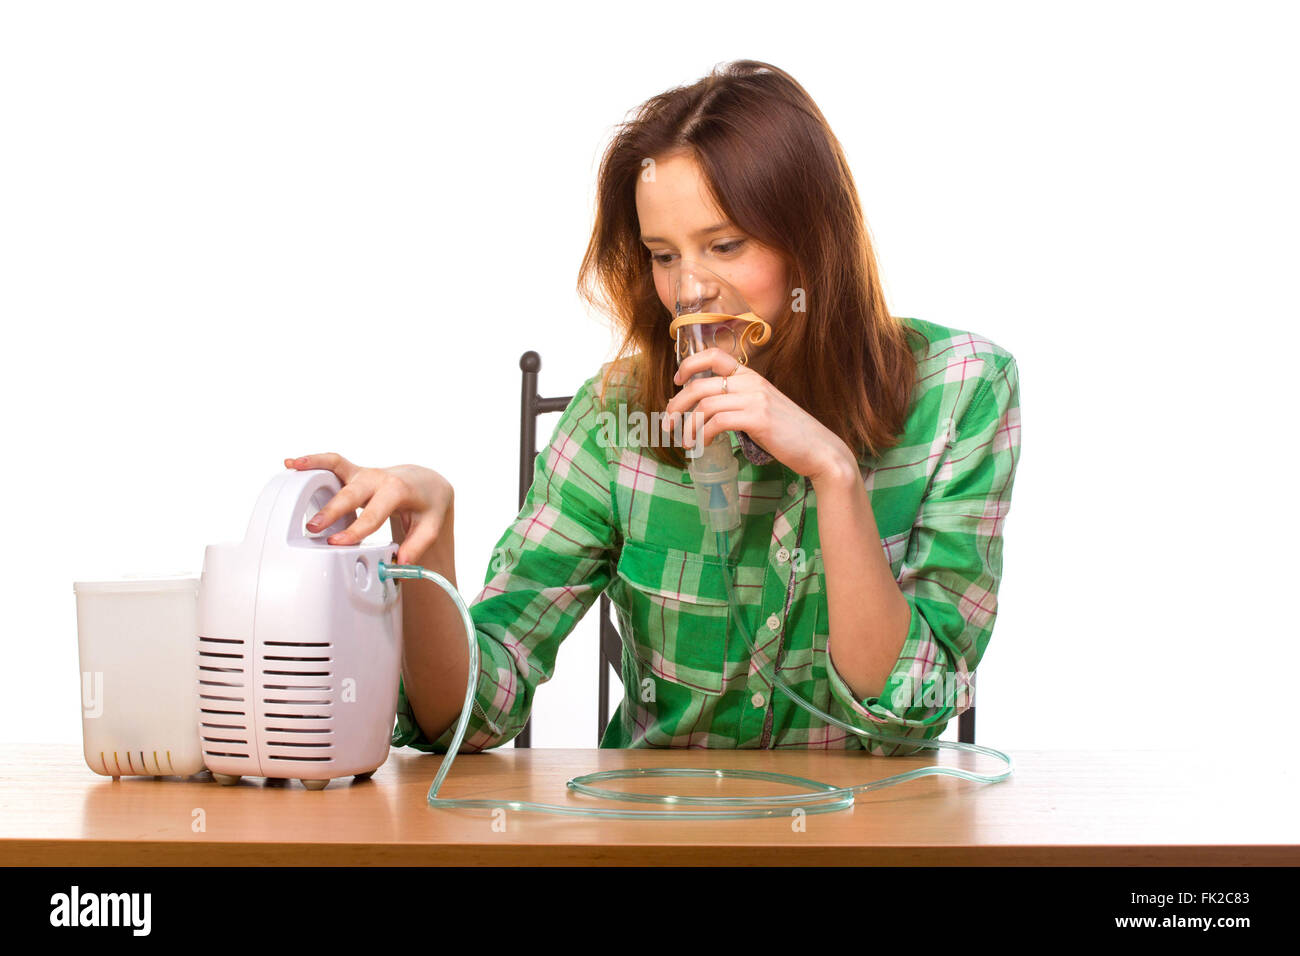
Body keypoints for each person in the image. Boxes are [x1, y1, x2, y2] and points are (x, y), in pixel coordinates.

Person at [284, 60, 1021, 756]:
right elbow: (471, 715)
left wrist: (834, 472)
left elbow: (913, 706)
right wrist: (428, 544)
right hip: (660, 825)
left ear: (813, 243)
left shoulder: (961, 389)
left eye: (725, 245)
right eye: (664, 256)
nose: (689, 289)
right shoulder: (616, 419)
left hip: (869, 832)